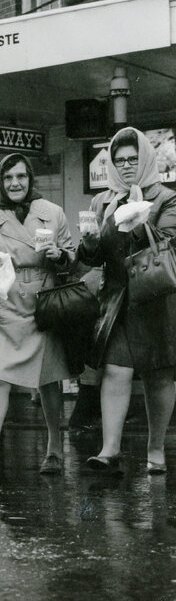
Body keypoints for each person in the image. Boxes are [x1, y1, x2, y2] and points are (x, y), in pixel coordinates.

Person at [0, 154, 75, 478]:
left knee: (49, 380)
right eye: (8, 177)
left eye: (21, 176)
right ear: (1, 180)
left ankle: (54, 450)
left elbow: (72, 256)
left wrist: (60, 256)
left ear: (30, 178)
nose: (15, 183)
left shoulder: (52, 213)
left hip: (43, 305)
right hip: (2, 304)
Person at [77, 127, 176, 475]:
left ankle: (155, 448)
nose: (127, 165)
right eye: (119, 160)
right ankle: (109, 450)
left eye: (133, 158)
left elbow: (168, 242)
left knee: (158, 376)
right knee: (116, 371)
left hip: (156, 298)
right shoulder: (102, 201)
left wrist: (136, 214)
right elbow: (92, 257)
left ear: (146, 158)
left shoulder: (167, 197)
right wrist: (89, 242)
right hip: (119, 301)